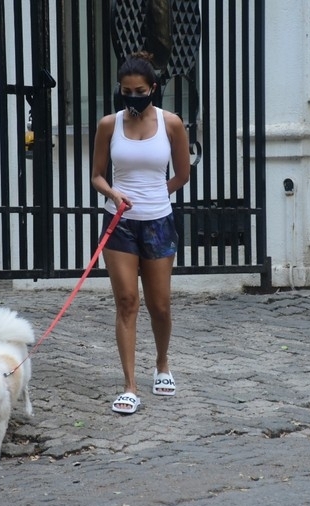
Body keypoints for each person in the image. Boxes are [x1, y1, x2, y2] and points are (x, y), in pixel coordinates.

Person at [91, 52, 190, 414]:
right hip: (119, 224)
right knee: (127, 302)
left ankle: (162, 363)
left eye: (139, 90)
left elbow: (182, 174)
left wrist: (157, 195)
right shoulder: (108, 125)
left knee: (159, 305)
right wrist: (113, 193)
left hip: (159, 222)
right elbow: (97, 175)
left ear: (153, 89)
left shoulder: (172, 124)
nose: (133, 97)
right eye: (126, 91)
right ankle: (129, 385)